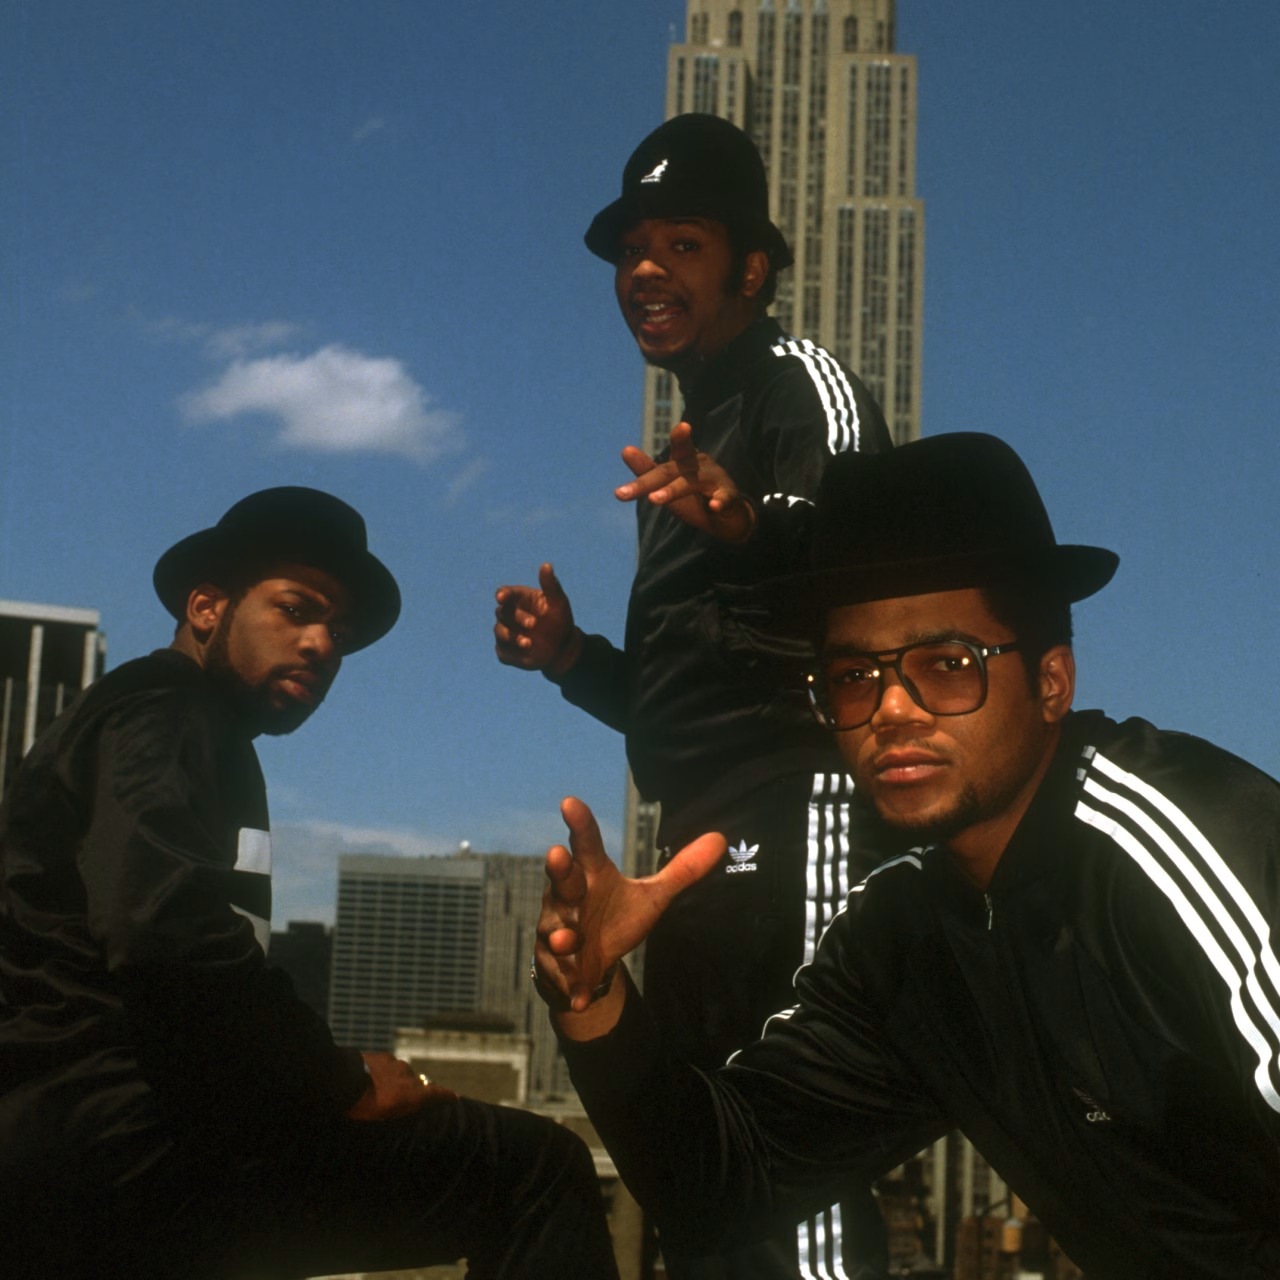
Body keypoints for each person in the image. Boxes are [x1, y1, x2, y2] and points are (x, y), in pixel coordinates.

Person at [535, 433, 1280, 1279]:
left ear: (1052, 682)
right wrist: (593, 999)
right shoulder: (906, 938)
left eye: (947, 665)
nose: (891, 710)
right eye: (855, 677)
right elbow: (719, 1184)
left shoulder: (1182, 844)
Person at [0, 487, 618, 1280]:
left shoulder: (170, 722)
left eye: (340, 631)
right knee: (537, 1171)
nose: (323, 644)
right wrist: (340, 1079)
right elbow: (164, 931)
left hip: (96, 1138)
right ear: (206, 608)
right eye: (296, 610)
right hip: (122, 1140)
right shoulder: (164, 712)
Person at [496, 113, 893, 1279]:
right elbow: (683, 700)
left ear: (750, 270)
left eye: (680, 244)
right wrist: (572, 657)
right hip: (697, 828)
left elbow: (867, 559)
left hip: (802, 800)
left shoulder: (798, 383)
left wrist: (751, 523)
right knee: (705, 1156)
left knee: (791, 1142)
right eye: (631, 250)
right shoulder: (684, 442)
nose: (644, 270)